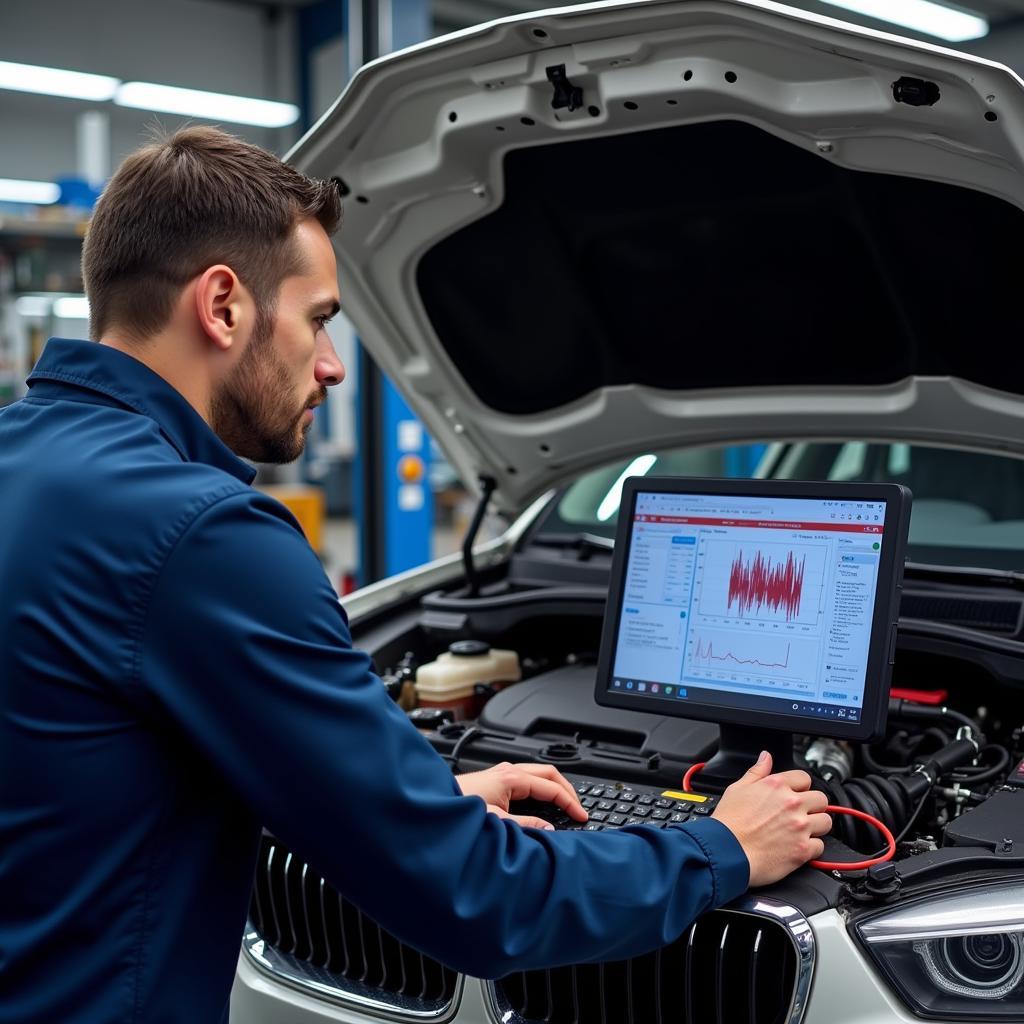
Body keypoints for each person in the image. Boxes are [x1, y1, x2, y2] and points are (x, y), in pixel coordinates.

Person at [0, 127, 831, 1024]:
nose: (329, 365)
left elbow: (96, 766)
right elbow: (477, 900)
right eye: (319, 318)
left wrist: (413, 797)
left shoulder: (23, 464)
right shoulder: (205, 538)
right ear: (224, 305)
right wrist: (723, 846)